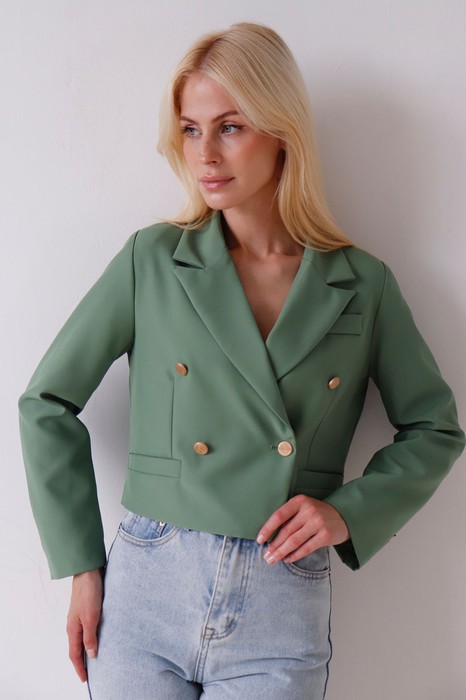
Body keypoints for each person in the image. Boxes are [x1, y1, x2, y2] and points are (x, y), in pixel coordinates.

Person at [18, 21, 464, 700]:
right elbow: (46, 403)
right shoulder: (153, 261)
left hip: (281, 599)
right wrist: (81, 565)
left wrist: (348, 512)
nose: (205, 154)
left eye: (230, 127)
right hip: (147, 587)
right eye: (190, 130)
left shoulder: (360, 284)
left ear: (282, 131)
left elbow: (435, 428)